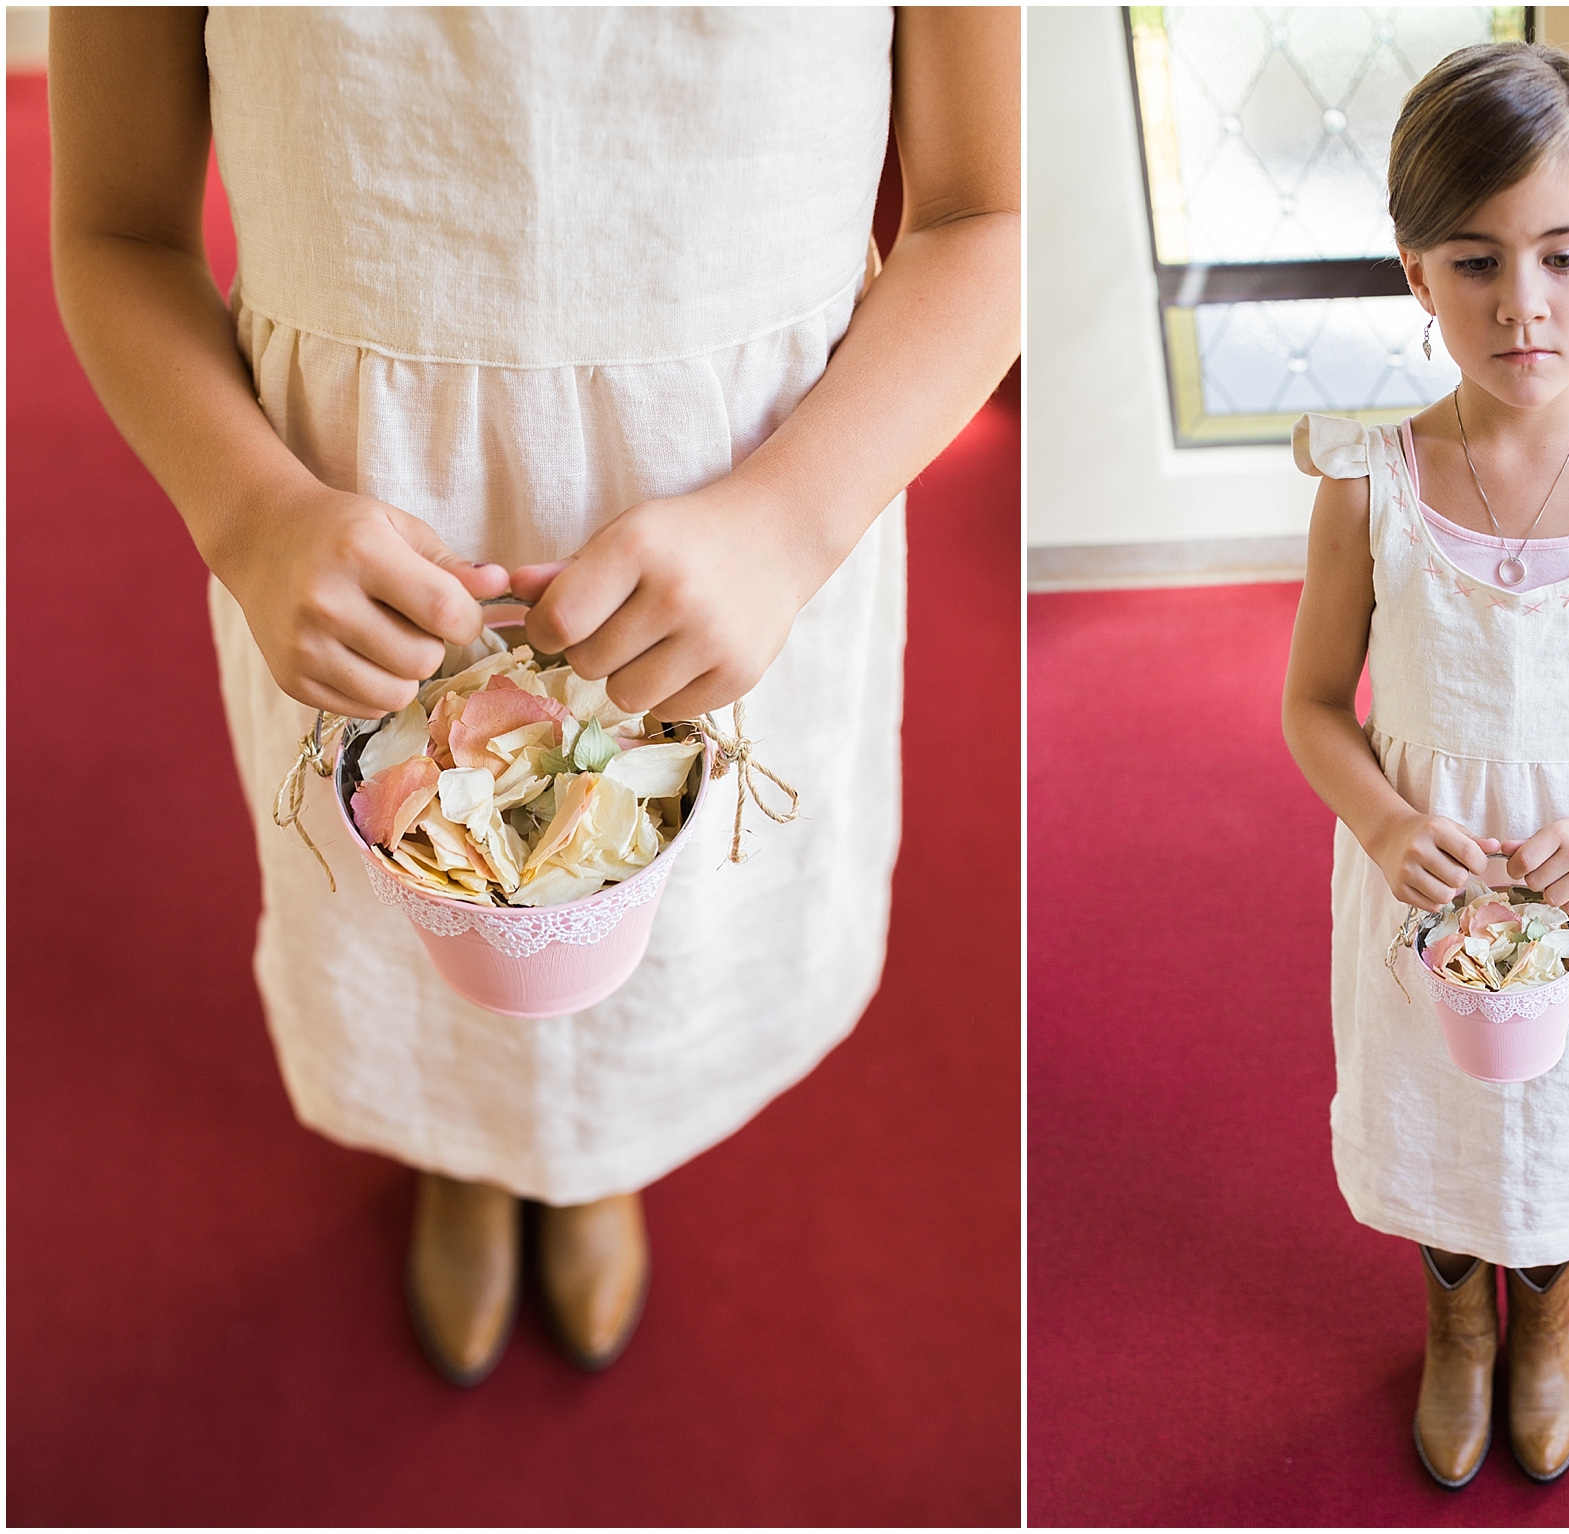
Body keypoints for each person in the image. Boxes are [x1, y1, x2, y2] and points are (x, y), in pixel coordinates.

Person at [49, 7, 1018, 1386]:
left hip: (746, 539)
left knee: (652, 932)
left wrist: (792, 522)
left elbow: (988, 216)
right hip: (360, 542)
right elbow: (117, 231)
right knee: (416, 904)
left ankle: (586, 1162)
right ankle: (467, 1144)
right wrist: (252, 513)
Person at [1281, 42, 1569, 1486]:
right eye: (1475, 260)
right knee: (1443, 1105)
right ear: (1417, 274)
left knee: (1564, 1112)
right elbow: (1312, 701)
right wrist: (1376, 817)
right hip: (1431, 889)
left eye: (1560, 254)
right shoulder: (1370, 480)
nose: (1523, 300)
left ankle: (1545, 1312)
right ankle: (1455, 1321)